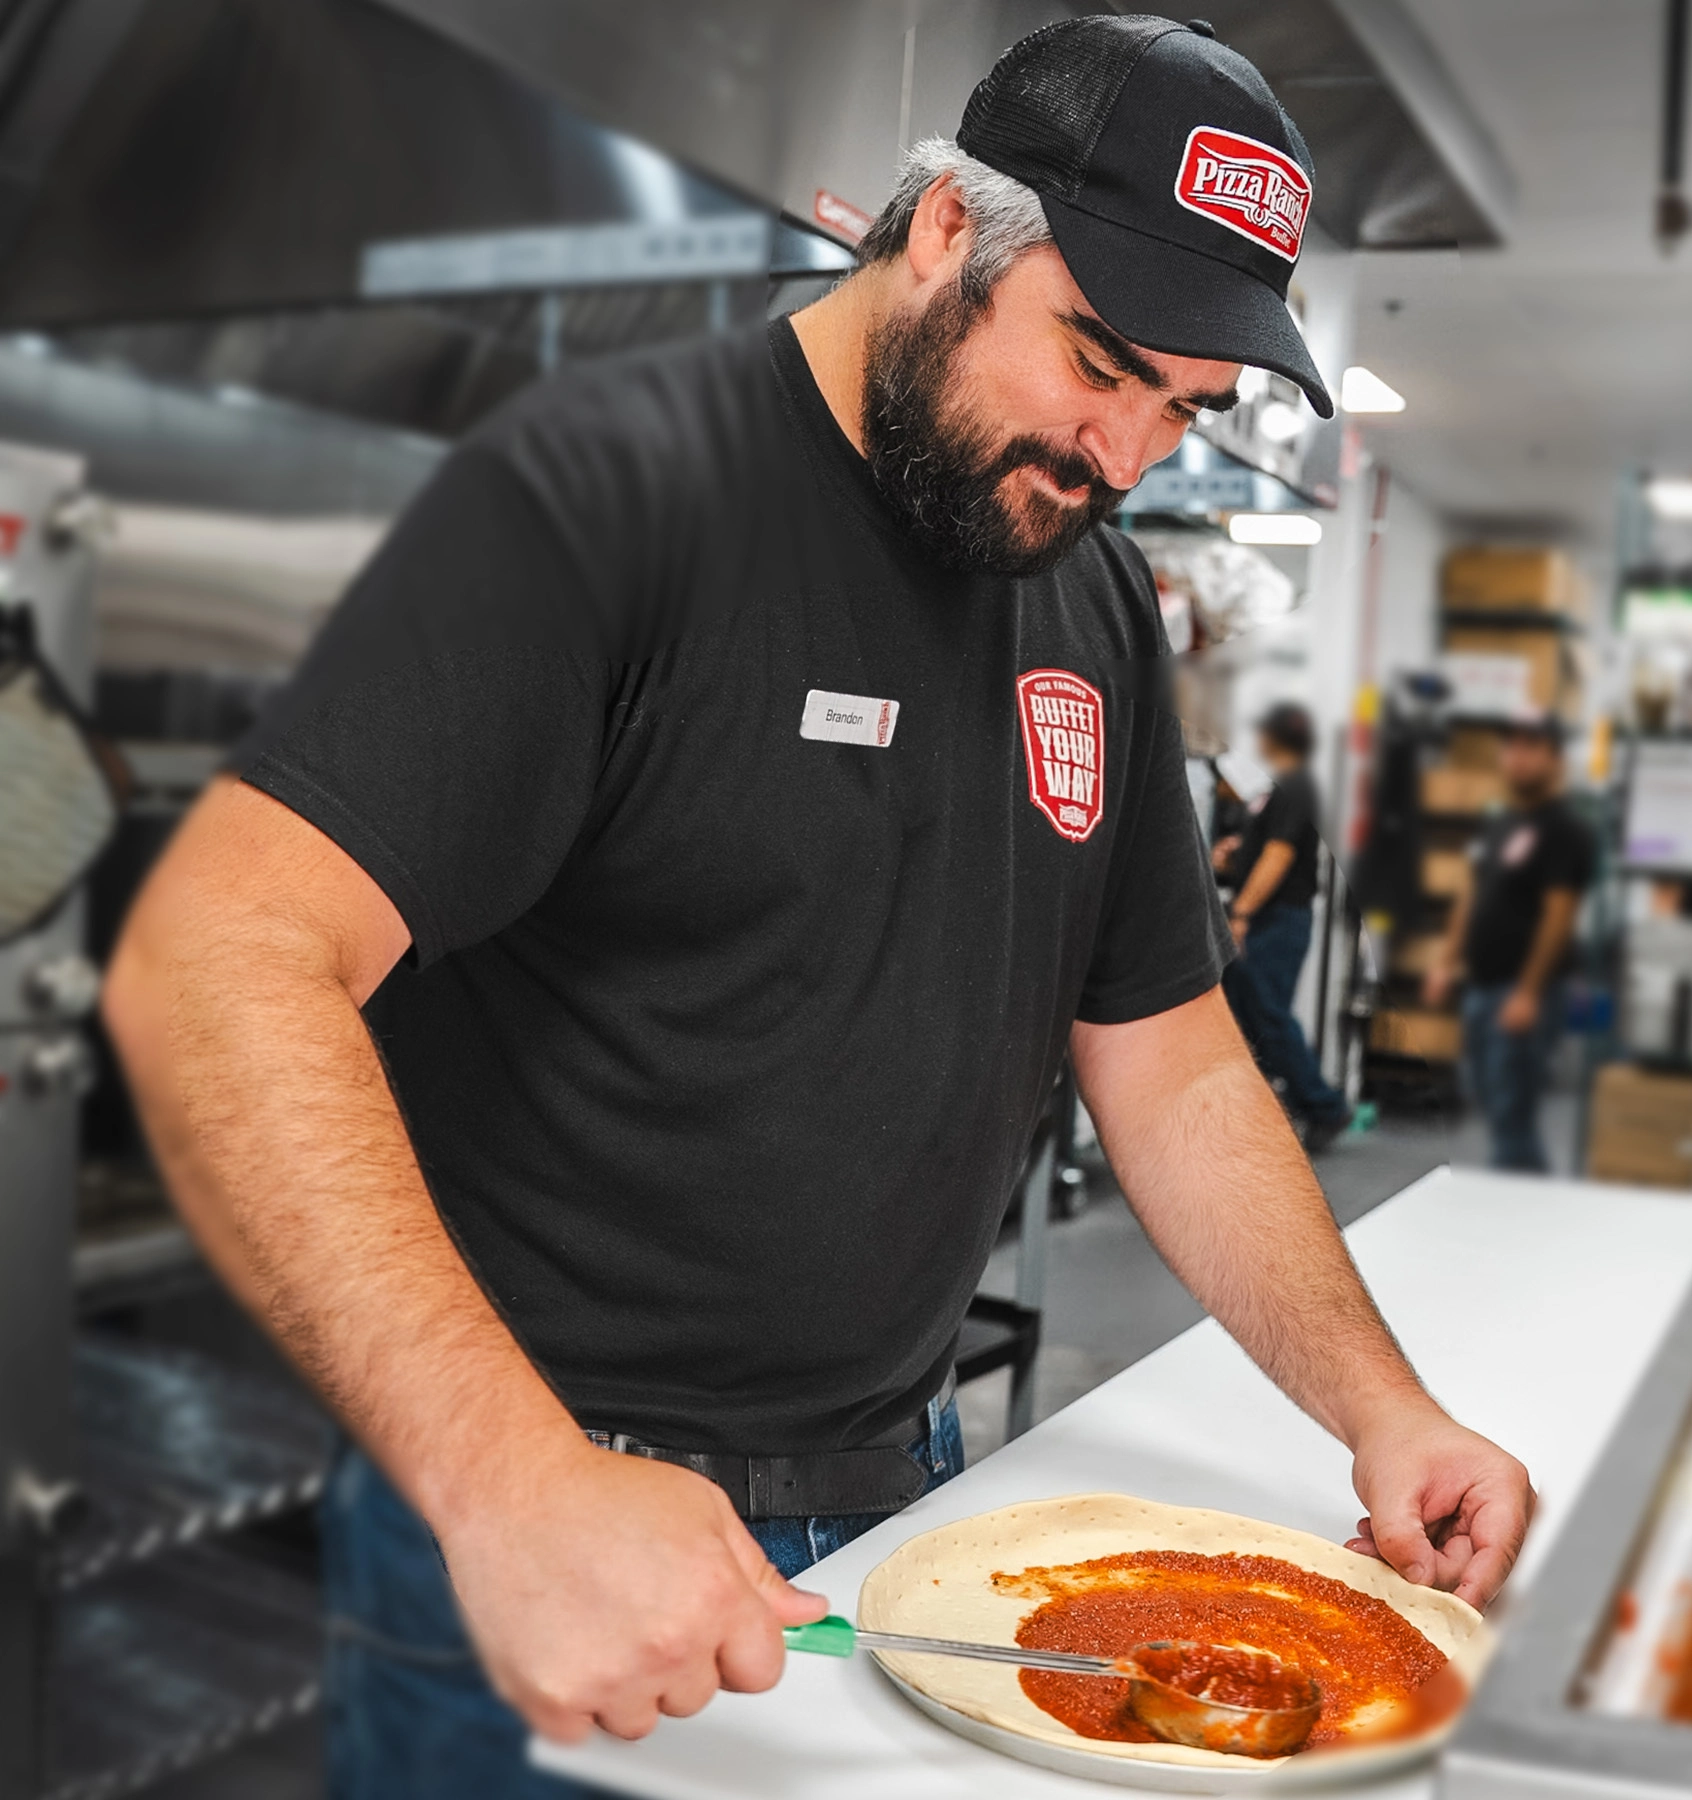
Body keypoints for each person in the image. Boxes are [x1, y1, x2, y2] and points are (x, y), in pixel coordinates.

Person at [105, 18, 1533, 1796]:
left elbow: (1169, 1065)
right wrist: (513, 1481)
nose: (1127, 455)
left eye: (1183, 408)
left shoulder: (1090, 607)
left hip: (897, 1499)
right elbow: (216, 958)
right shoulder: (609, 495)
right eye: (1100, 361)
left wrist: (1382, 1415)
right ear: (943, 232)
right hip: (545, 1509)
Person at [1423, 714, 1596, 1172]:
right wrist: (1445, 962)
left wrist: (1529, 992)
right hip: (1482, 987)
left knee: (1511, 1115)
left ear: (1555, 759)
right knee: (1491, 1104)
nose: (1515, 757)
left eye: (1529, 747)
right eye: (1510, 747)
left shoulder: (1565, 830)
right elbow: (1471, 893)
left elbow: (1560, 917)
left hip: (1519, 994)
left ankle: (1518, 1215)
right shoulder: (1499, 823)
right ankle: (1517, 1204)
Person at [1219, 703, 1351, 1151]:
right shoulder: (1273, 791)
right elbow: (1265, 850)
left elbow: (1279, 856)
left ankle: (1324, 1107)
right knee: (1244, 1016)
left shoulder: (1298, 786)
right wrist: (1236, 852)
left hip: (1276, 920)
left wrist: (1240, 914)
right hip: (1265, 917)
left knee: (1270, 1016)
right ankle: (1262, 1113)